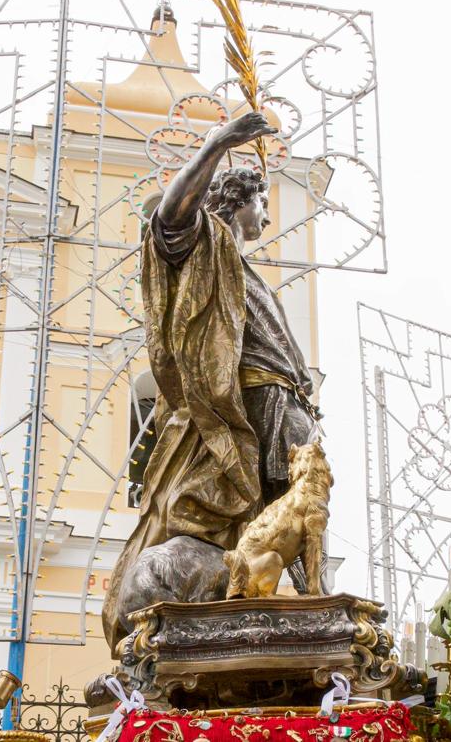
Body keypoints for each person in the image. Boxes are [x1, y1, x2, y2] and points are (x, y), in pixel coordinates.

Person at [102, 110, 321, 646]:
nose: (267, 219)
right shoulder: (204, 247)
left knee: (297, 517)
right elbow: (171, 219)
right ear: (236, 201)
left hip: (278, 412)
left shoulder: (251, 277)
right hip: (236, 414)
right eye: (262, 205)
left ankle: (302, 597)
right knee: (283, 509)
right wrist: (217, 145)